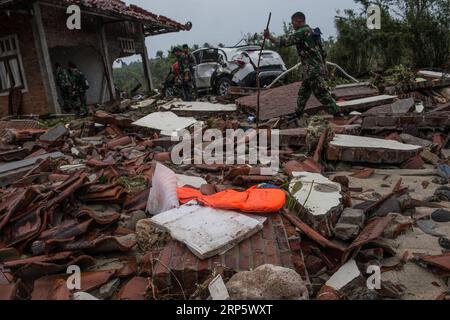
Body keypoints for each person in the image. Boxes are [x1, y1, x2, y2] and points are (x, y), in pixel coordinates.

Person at [264, 12, 342, 118]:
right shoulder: (313, 32)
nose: (292, 25)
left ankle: (337, 113)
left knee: (321, 93)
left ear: (299, 21)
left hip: (312, 70)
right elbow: (323, 52)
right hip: (312, 69)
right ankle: (298, 113)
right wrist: (324, 66)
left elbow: (284, 42)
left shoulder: (301, 32)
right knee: (303, 92)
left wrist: (269, 37)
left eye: (293, 23)